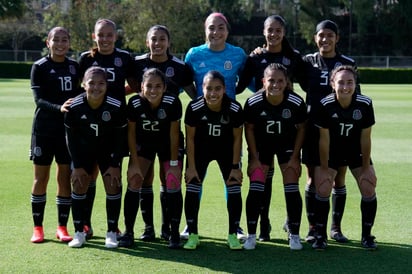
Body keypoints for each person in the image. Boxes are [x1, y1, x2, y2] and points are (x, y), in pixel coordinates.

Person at [236, 15, 305, 241]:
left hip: (287, 125)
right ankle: (262, 225)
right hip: (263, 125)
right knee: (262, 180)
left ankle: (291, 224)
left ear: (284, 33)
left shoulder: (293, 57)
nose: (273, 34)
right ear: (263, 32)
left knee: (289, 178)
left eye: (278, 30)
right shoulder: (256, 57)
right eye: (269, 30)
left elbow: (310, 82)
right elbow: (240, 85)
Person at [182, 12, 247, 240]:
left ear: (227, 31)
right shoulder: (194, 54)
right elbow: (184, 80)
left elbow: (249, 80)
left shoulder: (237, 54)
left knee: (232, 176)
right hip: (201, 122)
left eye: (220, 28)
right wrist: (196, 98)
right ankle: (191, 227)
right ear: (205, 29)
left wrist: (232, 96)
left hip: (229, 124)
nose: (216, 32)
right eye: (211, 27)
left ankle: (236, 228)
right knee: (195, 176)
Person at [130, 25, 195, 242]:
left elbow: (193, 93)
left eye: (162, 39)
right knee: (142, 178)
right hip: (144, 132)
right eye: (153, 39)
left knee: (168, 180)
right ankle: (148, 228)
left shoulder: (179, 66)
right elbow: (133, 88)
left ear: (169, 42)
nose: (157, 43)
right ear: (147, 42)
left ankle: (168, 229)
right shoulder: (137, 63)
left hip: (169, 131)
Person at [301, 20, 360, 244]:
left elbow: (355, 98)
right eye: (321, 35)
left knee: (339, 178)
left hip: (339, 130)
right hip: (313, 128)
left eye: (330, 35)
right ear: (315, 37)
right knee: (313, 178)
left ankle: (335, 227)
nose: (325, 39)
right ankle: (312, 227)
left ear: (337, 38)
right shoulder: (307, 62)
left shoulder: (347, 63)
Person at [78, 18, 137, 239]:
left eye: (109, 35)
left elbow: (137, 84)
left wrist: (119, 94)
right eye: (100, 35)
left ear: (116, 36)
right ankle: (85, 223)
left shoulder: (124, 58)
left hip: (116, 124)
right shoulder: (86, 58)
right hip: (90, 124)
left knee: (112, 175)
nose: (105, 39)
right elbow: (78, 87)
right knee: (90, 174)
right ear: (94, 36)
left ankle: (113, 225)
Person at [311, 65, 377, 250]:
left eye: (350, 82)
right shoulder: (325, 104)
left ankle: (367, 236)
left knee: (368, 185)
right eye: (341, 82)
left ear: (355, 84)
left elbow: (366, 137)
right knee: (323, 186)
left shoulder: (365, 103)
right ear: (333, 84)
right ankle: (320, 236)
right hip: (332, 152)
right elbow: (323, 140)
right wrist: (324, 167)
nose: (345, 87)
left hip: (355, 152)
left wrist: (365, 167)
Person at [243, 63, 307, 250]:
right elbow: (249, 129)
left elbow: (302, 128)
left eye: (280, 81)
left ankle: (294, 235)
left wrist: (296, 157)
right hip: (262, 148)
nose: (275, 84)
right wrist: (254, 158)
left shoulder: (295, 102)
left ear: (286, 82)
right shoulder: (253, 102)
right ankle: (251, 235)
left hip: (287, 147)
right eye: (271, 80)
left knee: (291, 186)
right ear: (264, 81)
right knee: (256, 187)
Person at [118, 68, 184, 249]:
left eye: (158, 86)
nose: (153, 90)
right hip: (143, 144)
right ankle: (131, 231)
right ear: (141, 87)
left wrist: (172, 164)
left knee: (171, 180)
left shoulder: (172, 102)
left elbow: (173, 135)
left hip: (168, 145)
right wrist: (134, 162)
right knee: (135, 179)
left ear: (164, 88)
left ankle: (173, 231)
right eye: (149, 86)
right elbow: (130, 134)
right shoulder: (134, 103)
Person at [65, 66, 127, 248]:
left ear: (107, 86)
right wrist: (76, 165)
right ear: (83, 84)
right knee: (79, 183)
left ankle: (111, 232)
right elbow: (70, 139)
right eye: (91, 83)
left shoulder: (116, 106)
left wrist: (115, 163)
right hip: (83, 152)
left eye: (101, 83)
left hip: (107, 152)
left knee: (113, 183)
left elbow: (120, 139)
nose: (96, 87)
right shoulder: (74, 107)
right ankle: (79, 232)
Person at [29, 27, 81, 243]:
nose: (60, 44)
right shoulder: (39, 67)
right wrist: (59, 107)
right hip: (43, 129)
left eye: (64, 40)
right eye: (56, 40)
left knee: (64, 177)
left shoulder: (74, 66)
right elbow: (38, 100)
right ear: (48, 42)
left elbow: (81, 94)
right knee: (41, 177)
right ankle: (38, 228)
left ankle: (62, 227)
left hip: (67, 131)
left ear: (69, 43)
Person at [183, 70, 244, 250]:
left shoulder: (234, 108)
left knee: (233, 187)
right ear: (202, 89)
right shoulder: (194, 108)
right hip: (201, 151)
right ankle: (192, 234)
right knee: (193, 187)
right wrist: (191, 167)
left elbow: (237, 139)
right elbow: (190, 139)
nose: (213, 93)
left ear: (225, 89)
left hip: (226, 151)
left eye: (217, 89)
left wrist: (235, 167)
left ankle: (233, 234)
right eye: (208, 88)